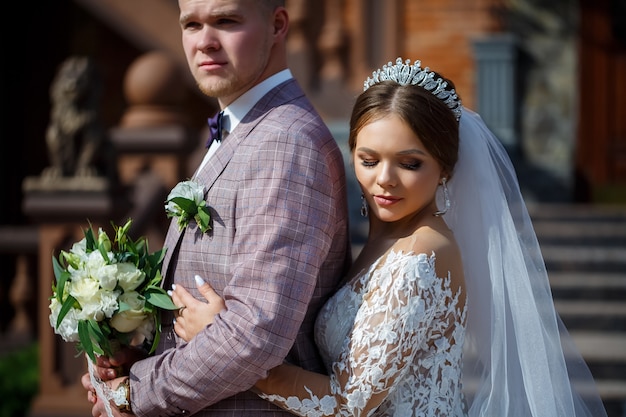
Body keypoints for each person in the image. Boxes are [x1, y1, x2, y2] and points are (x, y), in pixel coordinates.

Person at [171, 58, 609, 417]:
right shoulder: (383, 239)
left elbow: (350, 403)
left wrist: (224, 344)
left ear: (446, 168)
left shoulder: (423, 253)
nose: (384, 180)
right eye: (368, 159)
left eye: (410, 163)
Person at [81, 0, 351, 415]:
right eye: (191, 24)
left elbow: (254, 333)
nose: (204, 42)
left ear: (278, 25)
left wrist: (135, 394)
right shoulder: (240, 127)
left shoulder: (285, 143)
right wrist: (141, 363)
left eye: (226, 21)